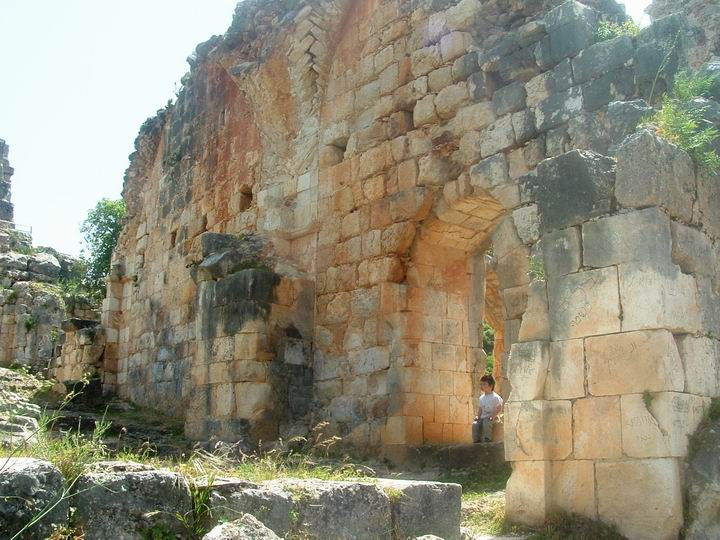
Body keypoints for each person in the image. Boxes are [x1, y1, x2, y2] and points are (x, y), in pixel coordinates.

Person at [472, 375, 503, 443]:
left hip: (493, 417)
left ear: (491, 386)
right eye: (481, 384)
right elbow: (480, 409)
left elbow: (499, 407)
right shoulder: (482, 398)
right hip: (483, 417)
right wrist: (478, 417)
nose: (482, 386)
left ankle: (487, 438)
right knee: (475, 424)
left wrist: (493, 416)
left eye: (484, 384)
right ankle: (476, 440)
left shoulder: (495, 397)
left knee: (486, 422)